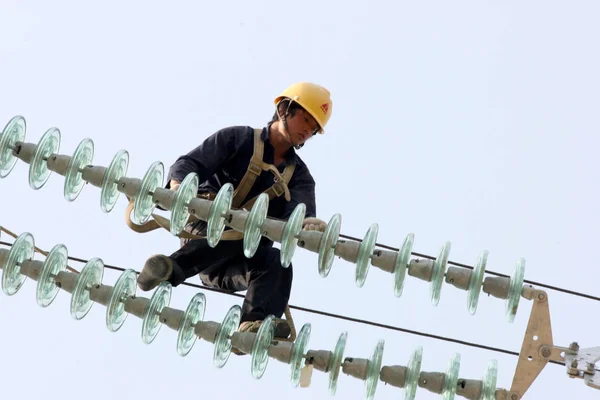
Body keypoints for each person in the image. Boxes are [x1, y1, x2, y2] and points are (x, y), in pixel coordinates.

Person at [136, 82, 332, 343]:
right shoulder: (238, 139)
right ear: (285, 108)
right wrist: (179, 186)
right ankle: (169, 269)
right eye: (305, 119)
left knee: (277, 261)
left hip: (235, 263)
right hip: (202, 234)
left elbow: (298, 215)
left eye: (314, 128)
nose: (307, 130)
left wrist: (308, 225)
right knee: (240, 228)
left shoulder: (300, 178)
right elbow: (190, 163)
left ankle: (254, 327)